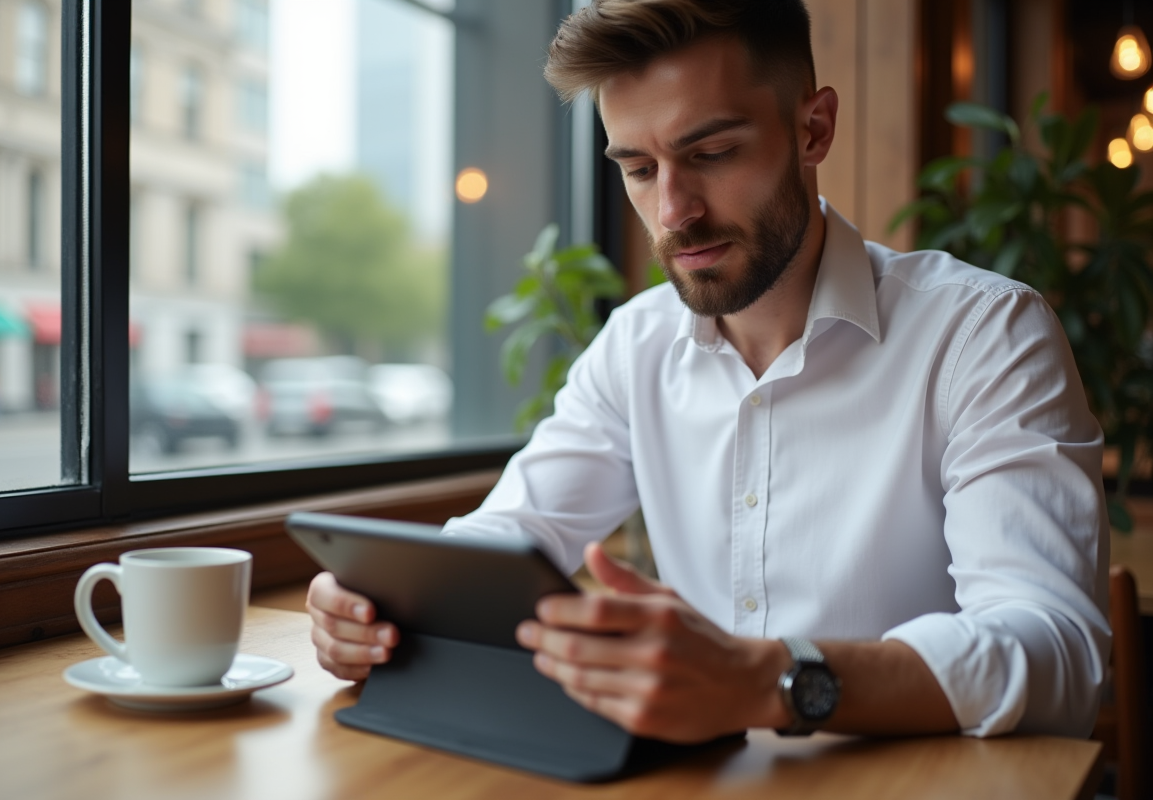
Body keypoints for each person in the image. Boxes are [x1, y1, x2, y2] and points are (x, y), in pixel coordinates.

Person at [308, 0, 1109, 742]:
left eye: (712, 152)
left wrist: (774, 680)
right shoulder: (634, 345)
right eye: (639, 169)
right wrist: (380, 602)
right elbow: (515, 535)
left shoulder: (984, 334)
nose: (673, 213)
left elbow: (1059, 652)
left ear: (814, 128)